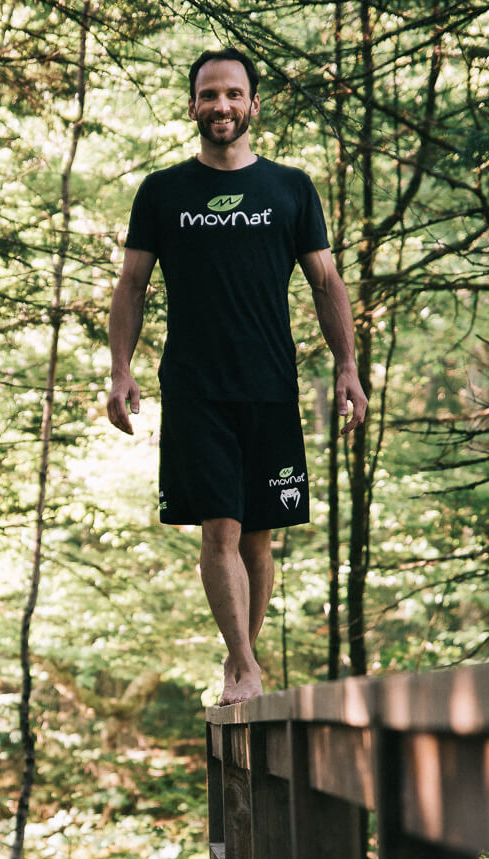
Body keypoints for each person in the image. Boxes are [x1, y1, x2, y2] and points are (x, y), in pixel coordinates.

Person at [107, 46, 367, 706]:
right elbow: (132, 284)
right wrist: (119, 371)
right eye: (208, 94)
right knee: (219, 528)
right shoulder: (163, 191)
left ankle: (240, 664)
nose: (220, 105)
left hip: (271, 385)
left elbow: (326, 281)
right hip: (195, 387)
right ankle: (245, 663)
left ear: (253, 104)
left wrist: (347, 367)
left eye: (232, 94)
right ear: (192, 105)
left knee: (259, 538)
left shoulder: (290, 188)